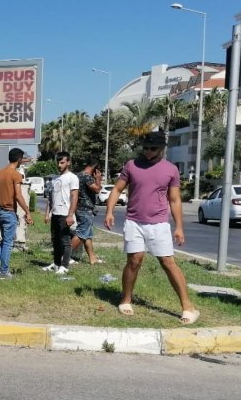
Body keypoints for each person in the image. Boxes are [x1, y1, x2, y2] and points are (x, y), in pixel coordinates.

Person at [103, 131, 199, 324]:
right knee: (134, 260)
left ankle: (188, 307)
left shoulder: (171, 170)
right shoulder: (131, 165)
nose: (147, 152)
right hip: (134, 221)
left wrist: (179, 227)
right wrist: (109, 211)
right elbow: (117, 189)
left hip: (159, 223)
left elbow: (174, 199)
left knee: (167, 262)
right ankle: (126, 299)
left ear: (162, 149)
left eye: (152, 148)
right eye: (145, 148)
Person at [0, 148, 34, 279]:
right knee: (8, 243)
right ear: (19, 159)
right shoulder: (16, 175)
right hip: (9, 212)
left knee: (5, 240)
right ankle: (4, 272)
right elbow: (18, 196)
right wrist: (27, 212)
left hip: (0, 211)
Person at [43, 152, 79, 275]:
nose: (59, 165)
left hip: (65, 213)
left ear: (68, 162)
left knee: (65, 241)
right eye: (58, 162)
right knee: (56, 240)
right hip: (55, 214)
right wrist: (47, 213)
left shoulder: (72, 177)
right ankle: (56, 263)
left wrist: (70, 215)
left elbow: (74, 197)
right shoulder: (55, 178)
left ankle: (65, 266)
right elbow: (51, 198)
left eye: (62, 162)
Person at [70, 158, 104, 265]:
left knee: (87, 235)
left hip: (81, 208)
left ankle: (92, 258)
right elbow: (97, 189)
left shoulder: (78, 175)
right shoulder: (86, 177)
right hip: (85, 210)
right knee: (81, 234)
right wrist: (98, 179)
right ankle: (63, 257)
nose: (99, 173)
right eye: (99, 171)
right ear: (95, 168)